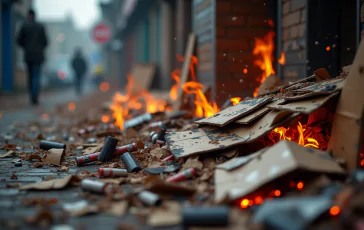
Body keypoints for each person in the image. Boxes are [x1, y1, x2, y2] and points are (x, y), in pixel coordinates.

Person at [16, 9, 48, 105]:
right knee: (36, 76)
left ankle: (32, 95)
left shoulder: (24, 26)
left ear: (28, 15)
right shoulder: (40, 27)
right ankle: (35, 96)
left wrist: (25, 47)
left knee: (30, 76)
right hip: (38, 56)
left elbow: (18, 40)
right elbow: (46, 42)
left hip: (29, 55)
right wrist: (40, 48)